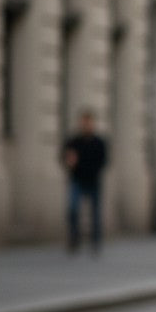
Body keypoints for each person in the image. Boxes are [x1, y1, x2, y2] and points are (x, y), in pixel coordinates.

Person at [62, 108, 109, 253]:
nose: (86, 125)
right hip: (77, 180)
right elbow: (65, 157)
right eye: (84, 122)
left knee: (95, 214)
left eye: (88, 122)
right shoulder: (74, 141)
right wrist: (69, 162)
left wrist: (94, 169)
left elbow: (104, 160)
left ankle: (96, 241)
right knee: (73, 209)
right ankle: (74, 238)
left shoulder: (98, 142)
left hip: (93, 181)